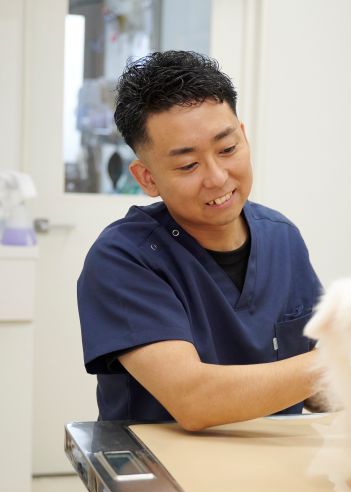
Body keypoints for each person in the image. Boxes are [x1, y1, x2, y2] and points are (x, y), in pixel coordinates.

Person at [77, 50, 322, 431]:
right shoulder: (124, 258)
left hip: (276, 466)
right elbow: (194, 400)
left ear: (243, 136)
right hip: (163, 476)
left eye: (227, 150)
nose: (218, 177)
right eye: (188, 165)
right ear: (147, 179)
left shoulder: (282, 237)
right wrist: (342, 363)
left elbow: (316, 386)